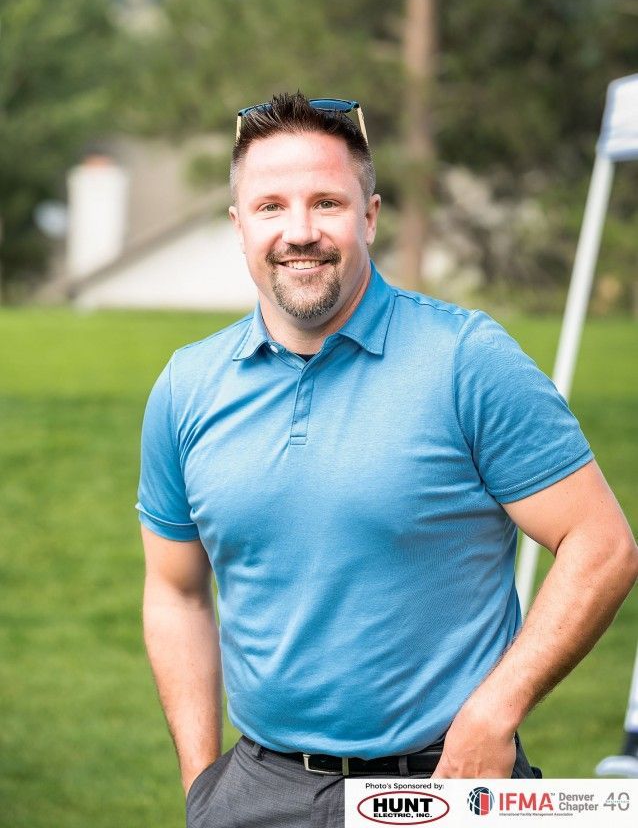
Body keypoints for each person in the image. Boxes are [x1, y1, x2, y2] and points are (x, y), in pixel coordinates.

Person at [137, 92, 638, 828]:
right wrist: (203, 784)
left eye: (328, 203)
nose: (300, 232)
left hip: (449, 784)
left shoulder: (466, 360)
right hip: (258, 789)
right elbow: (175, 590)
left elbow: (602, 545)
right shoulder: (187, 387)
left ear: (369, 216)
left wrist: (495, 713)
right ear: (240, 226)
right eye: (271, 206)